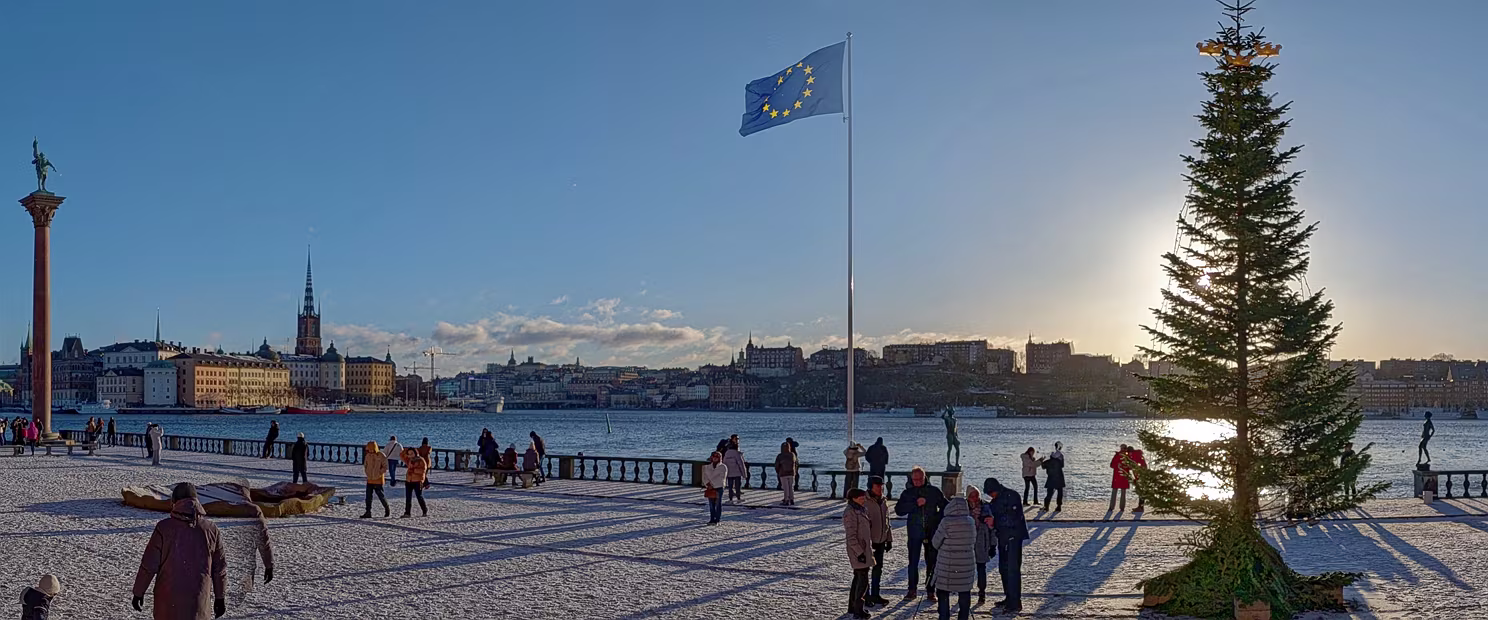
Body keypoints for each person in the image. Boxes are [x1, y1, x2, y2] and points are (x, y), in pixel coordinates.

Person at [131, 483, 229, 620]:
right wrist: (220, 597)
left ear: (175, 501)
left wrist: (138, 592)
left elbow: (149, 565)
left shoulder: (164, 528)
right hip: (198, 601)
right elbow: (219, 569)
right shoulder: (211, 529)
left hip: (167, 602)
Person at [894, 466, 947, 602]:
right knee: (913, 562)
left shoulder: (934, 491)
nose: (917, 482)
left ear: (925, 478)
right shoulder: (907, 493)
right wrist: (915, 504)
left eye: (920, 479)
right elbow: (899, 510)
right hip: (914, 532)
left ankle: (931, 590)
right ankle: (912, 590)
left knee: (932, 562)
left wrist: (936, 518)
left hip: (931, 531)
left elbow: (945, 506)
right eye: (915, 480)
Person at [980, 478, 1030, 613]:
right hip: (1003, 538)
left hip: (1013, 537)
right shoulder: (996, 501)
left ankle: (1015, 602)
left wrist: (994, 521)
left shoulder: (1012, 496)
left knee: (1012, 570)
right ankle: (1009, 597)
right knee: (1004, 569)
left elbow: (1013, 518)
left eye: (991, 493)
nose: (991, 496)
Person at [931, 496, 976, 620]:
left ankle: (944, 617)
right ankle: (963, 617)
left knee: (943, 592)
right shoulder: (970, 521)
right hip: (966, 565)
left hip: (947, 565)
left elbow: (935, 543)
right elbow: (973, 540)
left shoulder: (946, 522)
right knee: (964, 592)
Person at [842, 488, 874, 620]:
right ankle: (858, 610)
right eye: (861, 497)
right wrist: (860, 552)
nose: (864, 499)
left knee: (858, 578)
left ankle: (853, 607)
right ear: (854, 498)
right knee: (862, 580)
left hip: (863, 549)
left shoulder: (861, 509)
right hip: (858, 551)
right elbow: (851, 536)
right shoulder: (850, 512)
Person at [863, 476, 893, 608]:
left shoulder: (883, 500)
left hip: (881, 540)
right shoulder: (864, 501)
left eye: (882, 485)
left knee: (878, 569)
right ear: (871, 487)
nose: (880, 488)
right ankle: (865, 596)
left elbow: (887, 521)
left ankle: (875, 594)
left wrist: (889, 539)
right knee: (865, 570)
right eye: (877, 486)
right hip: (868, 542)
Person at [965, 487, 994, 605]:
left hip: (982, 542)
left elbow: (992, 528)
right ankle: (964, 592)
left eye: (976, 495)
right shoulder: (963, 508)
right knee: (967, 570)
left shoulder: (986, 506)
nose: (975, 498)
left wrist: (993, 545)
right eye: (972, 496)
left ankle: (982, 592)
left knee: (981, 569)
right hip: (967, 543)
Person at [362, 441, 391, 518]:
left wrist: (379, 473)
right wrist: (367, 473)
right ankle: (368, 512)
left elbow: (385, 466)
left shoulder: (381, 455)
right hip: (370, 479)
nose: (370, 450)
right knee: (368, 497)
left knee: (381, 496)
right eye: (369, 449)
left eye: (372, 448)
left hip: (378, 479)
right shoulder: (368, 455)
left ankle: (387, 509)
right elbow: (365, 465)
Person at [401, 445, 429, 517]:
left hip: (417, 481)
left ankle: (424, 510)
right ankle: (407, 513)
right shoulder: (409, 460)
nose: (410, 455)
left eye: (412, 453)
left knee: (419, 496)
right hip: (409, 480)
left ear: (415, 453)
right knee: (408, 497)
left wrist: (414, 470)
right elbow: (401, 455)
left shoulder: (421, 460)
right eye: (409, 454)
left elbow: (423, 470)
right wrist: (406, 450)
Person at [702, 451, 728, 524]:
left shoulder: (723, 467)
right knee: (711, 505)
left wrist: (712, 483)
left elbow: (722, 477)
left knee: (718, 504)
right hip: (710, 487)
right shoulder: (707, 467)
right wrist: (708, 484)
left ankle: (717, 519)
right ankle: (712, 519)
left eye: (717, 457)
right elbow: (704, 477)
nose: (715, 458)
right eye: (714, 457)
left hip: (719, 487)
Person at [1042, 442, 1066, 511]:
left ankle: (1046, 506)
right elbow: (1062, 465)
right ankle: (1059, 506)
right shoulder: (1060, 461)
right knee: (1060, 492)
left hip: (1051, 478)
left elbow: (1043, 466)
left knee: (1049, 493)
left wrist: (1042, 461)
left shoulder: (1049, 461)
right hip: (1059, 478)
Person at [722, 438, 747, 503]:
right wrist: (744, 474)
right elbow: (741, 464)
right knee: (737, 486)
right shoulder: (737, 453)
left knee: (730, 487)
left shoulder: (726, 453)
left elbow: (724, 463)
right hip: (737, 473)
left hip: (729, 473)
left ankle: (730, 499)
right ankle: (738, 498)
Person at [1108, 444, 1131, 512]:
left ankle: (1112, 507)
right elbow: (1130, 467)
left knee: (1116, 492)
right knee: (1121, 492)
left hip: (1119, 476)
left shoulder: (1118, 455)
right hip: (1122, 476)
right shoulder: (1127, 456)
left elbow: (1112, 465)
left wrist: (1118, 465)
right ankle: (1120, 507)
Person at [774, 441, 798, 506]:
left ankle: (786, 500)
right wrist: (795, 471)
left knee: (785, 488)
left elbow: (777, 465)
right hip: (792, 473)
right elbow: (796, 464)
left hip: (783, 473)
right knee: (791, 487)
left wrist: (778, 471)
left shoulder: (780, 456)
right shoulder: (792, 454)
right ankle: (792, 499)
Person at [1128, 445, 1147, 512]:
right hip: (1142, 476)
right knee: (1141, 492)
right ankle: (1140, 507)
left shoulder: (1134, 456)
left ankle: (1141, 507)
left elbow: (1134, 466)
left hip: (1140, 476)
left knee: (1141, 492)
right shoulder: (1137, 455)